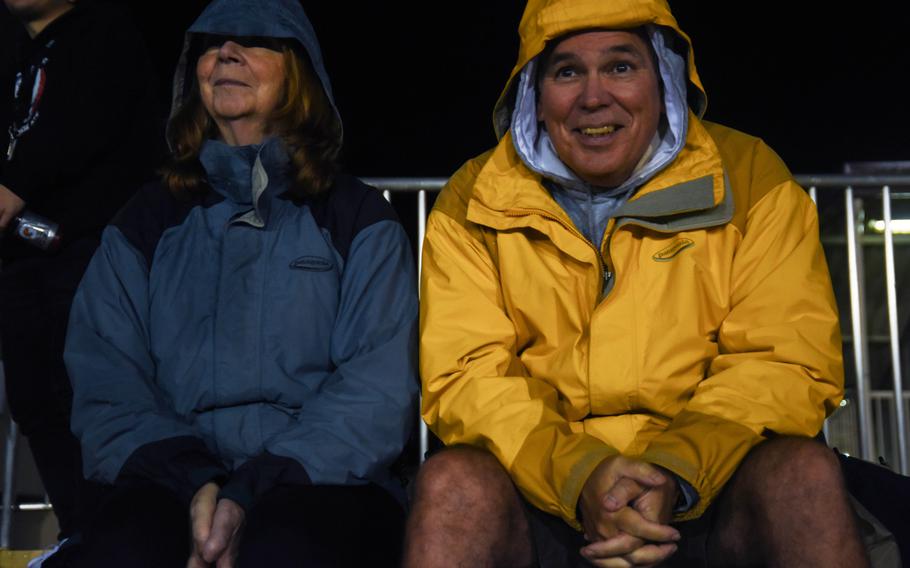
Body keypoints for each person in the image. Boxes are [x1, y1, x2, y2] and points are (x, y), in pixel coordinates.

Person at [405, 0, 871, 566]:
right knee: (452, 483)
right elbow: (465, 375)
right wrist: (579, 476)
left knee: (803, 474)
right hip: (543, 490)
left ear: (663, 79)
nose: (594, 96)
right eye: (567, 71)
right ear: (533, 90)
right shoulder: (474, 197)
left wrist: (677, 468)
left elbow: (786, 360)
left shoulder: (749, 176)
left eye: (621, 66)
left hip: (711, 484)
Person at [63, 0, 418, 566]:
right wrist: (196, 478)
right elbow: (105, 373)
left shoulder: (356, 218)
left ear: (298, 71)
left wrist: (252, 490)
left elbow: (377, 386)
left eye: (254, 39)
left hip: (318, 479)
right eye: (210, 43)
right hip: (171, 475)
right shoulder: (147, 220)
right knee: (125, 547)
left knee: (284, 549)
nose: (225, 52)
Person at [0, 0, 160, 561]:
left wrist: (12, 189)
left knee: (95, 407)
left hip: (90, 259)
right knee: (35, 403)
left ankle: (115, 542)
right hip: (23, 262)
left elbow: (77, 124)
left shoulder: (105, 31)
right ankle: (80, 537)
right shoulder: (19, 49)